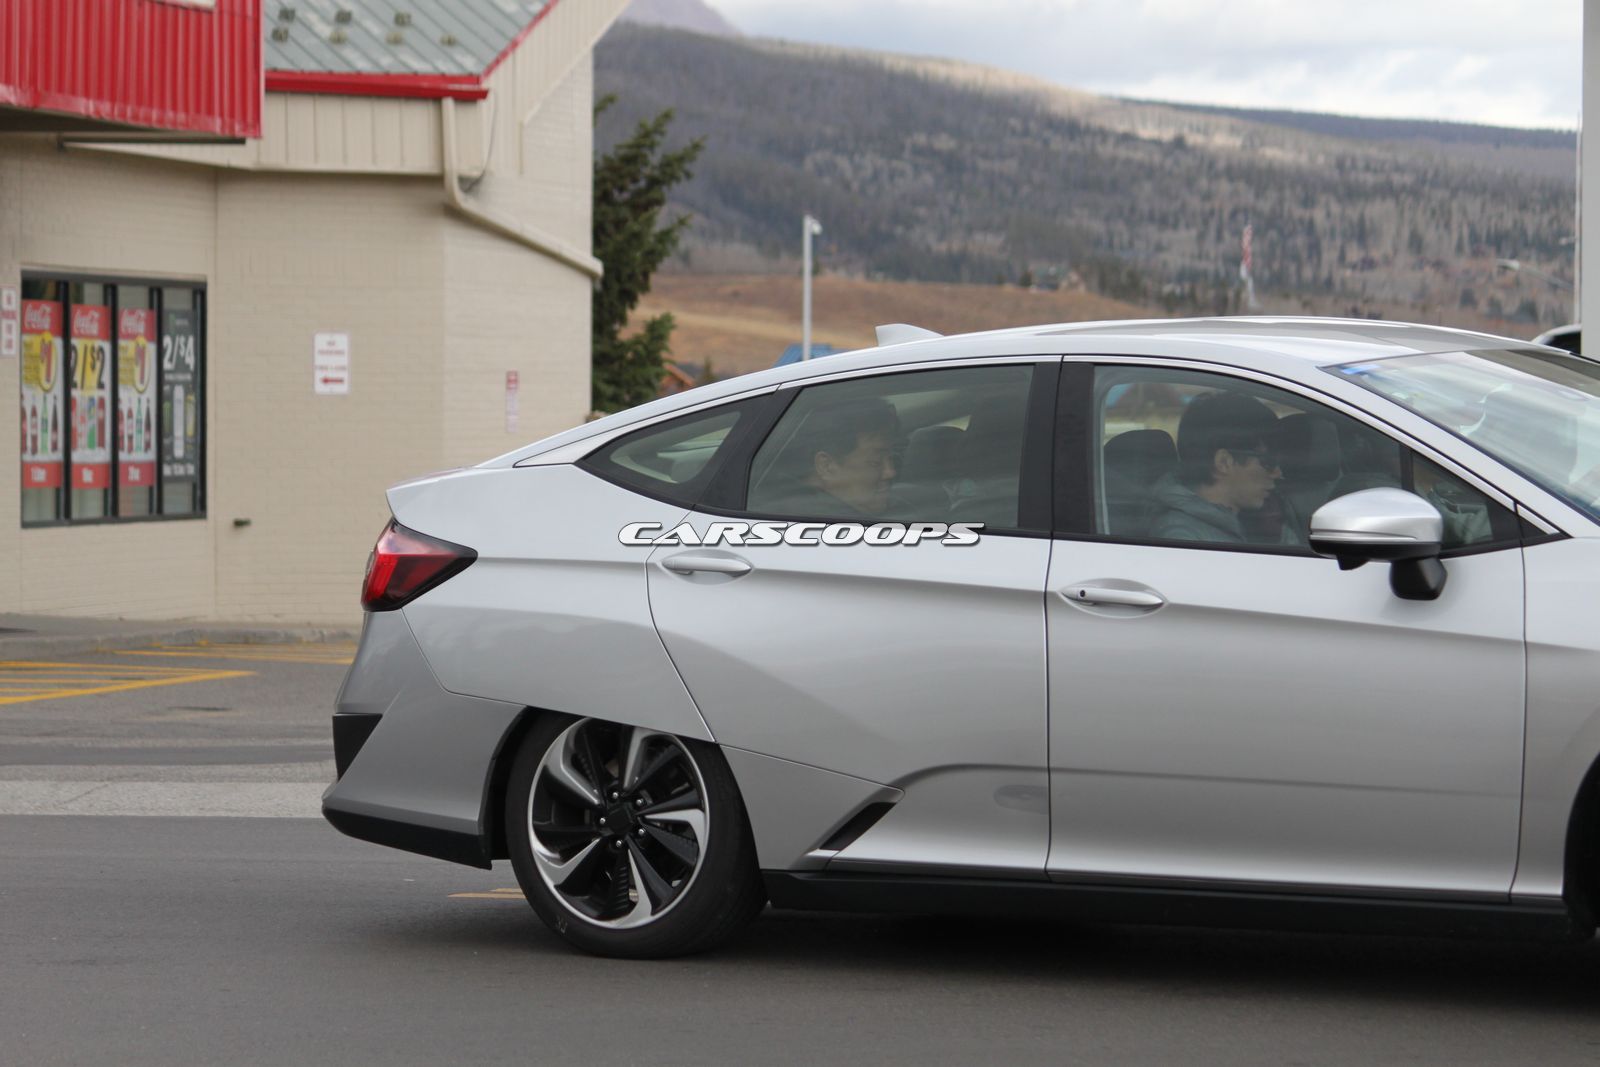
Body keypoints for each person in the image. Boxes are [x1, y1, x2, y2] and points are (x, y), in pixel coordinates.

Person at [1150, 391, 1298, 545]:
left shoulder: (1261, 520)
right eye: (1268, 461)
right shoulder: (1182, 538)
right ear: (1224, 462)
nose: (1278, 473)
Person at [756, 397, 901, 518]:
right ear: (826, 467)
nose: (890, 472)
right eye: (875, 462)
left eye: (892, 458)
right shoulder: (811, 525)